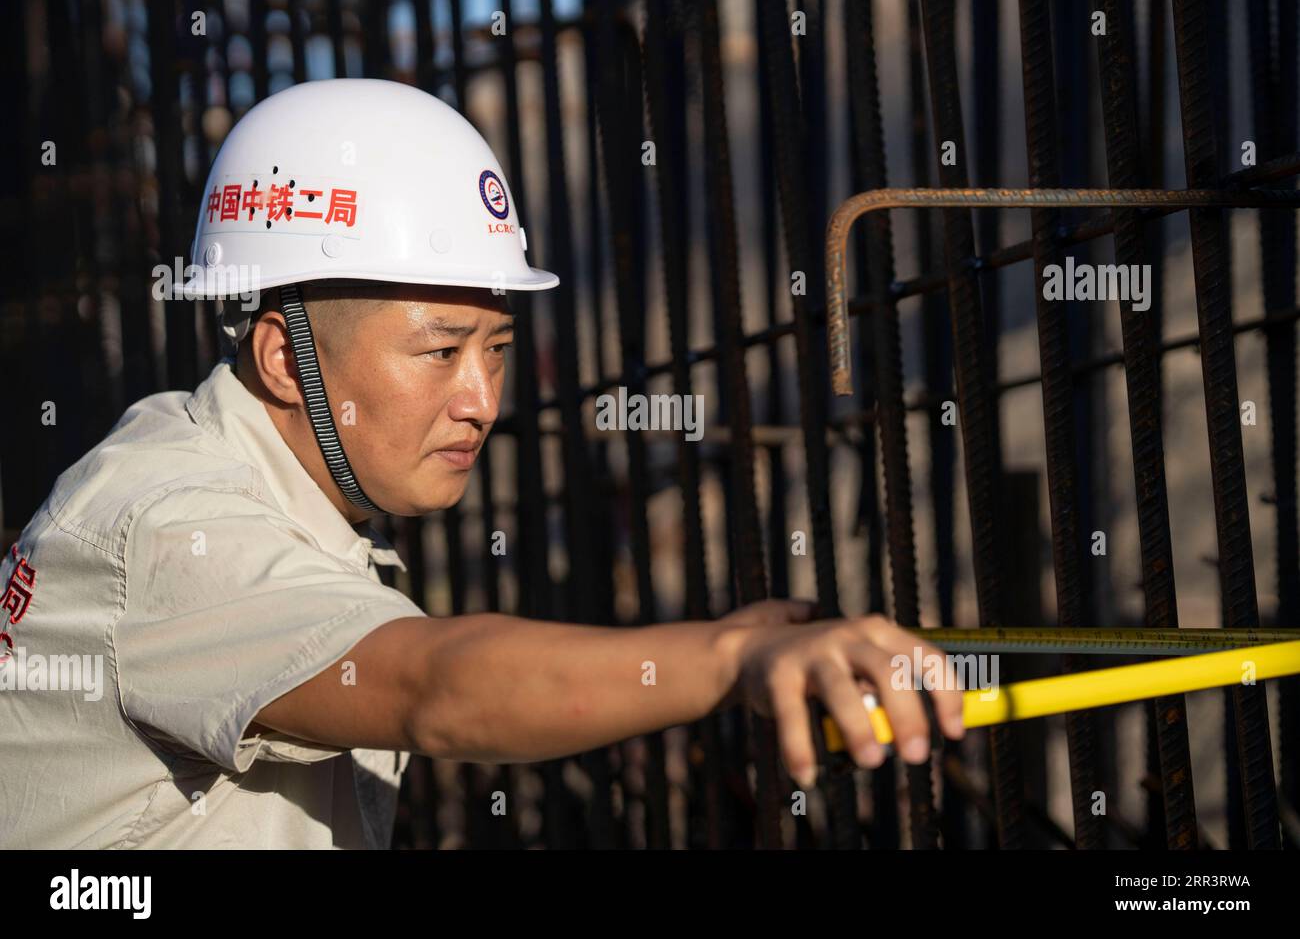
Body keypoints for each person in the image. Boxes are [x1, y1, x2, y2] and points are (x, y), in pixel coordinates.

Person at [0, 78, 962, 849]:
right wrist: (728, 659)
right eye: (440, 349)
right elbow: (437, 689)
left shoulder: (248, 487)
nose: (483, 398)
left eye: (496, 350)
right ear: (284, 358)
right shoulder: (169, 522)